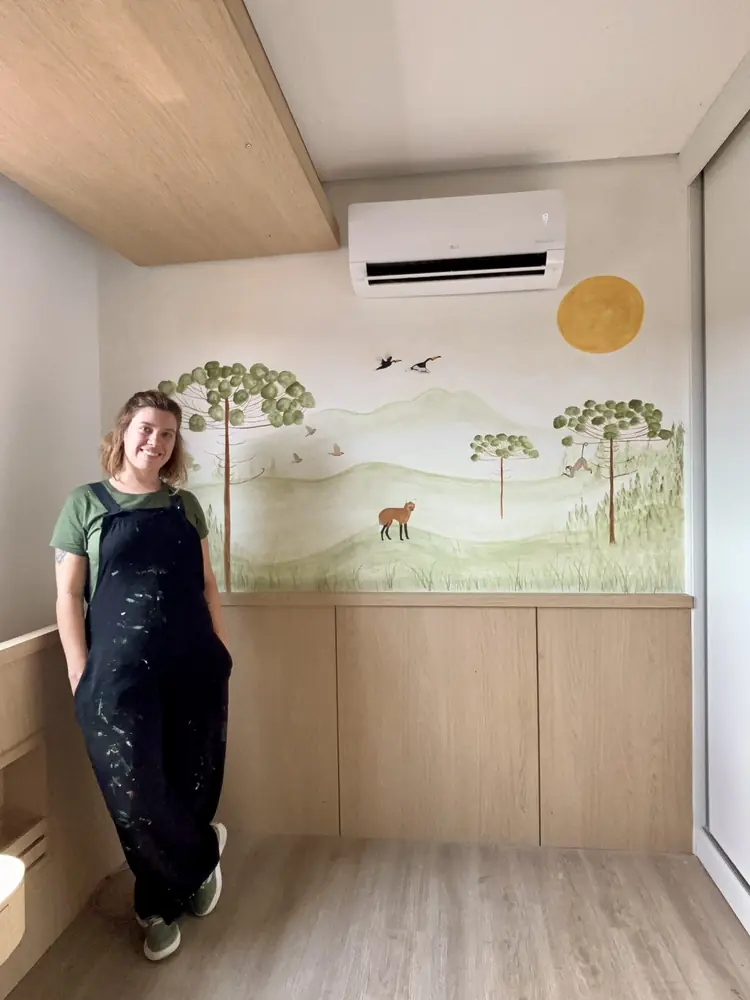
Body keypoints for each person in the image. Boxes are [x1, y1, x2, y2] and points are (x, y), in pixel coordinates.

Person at [50, 389, 232, 962]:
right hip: (116, 678)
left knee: (191, 778)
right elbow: (68, 595)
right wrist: (79, 671)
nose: (155, 441)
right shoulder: (86, 502)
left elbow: (206, 584)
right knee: (135, 793)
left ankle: (154, 905)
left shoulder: (186, 506)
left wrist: (221, 649)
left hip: (193, 667)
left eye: (168, 434)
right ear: (124, 432)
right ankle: (201, 852)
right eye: (146, 429)